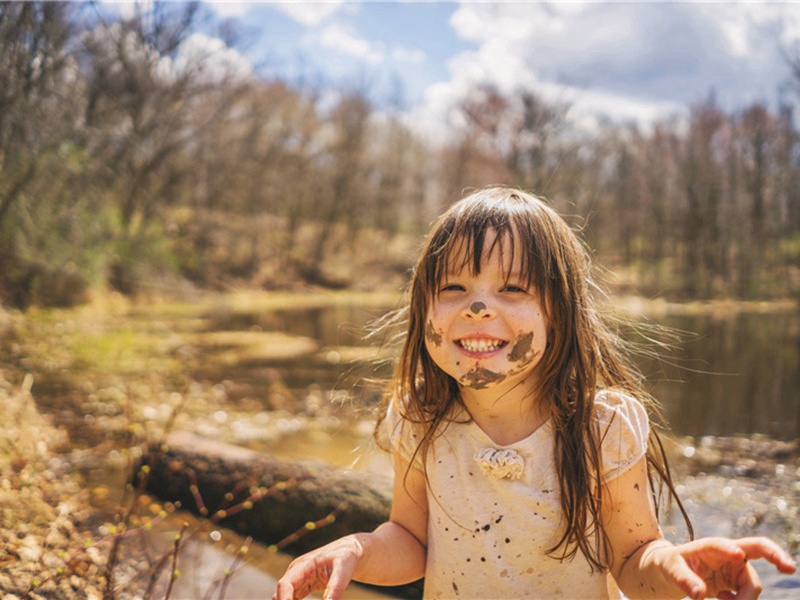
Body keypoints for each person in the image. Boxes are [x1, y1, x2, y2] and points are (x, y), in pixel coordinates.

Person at [273, 187, 796, 600]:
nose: (477, 308)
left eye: (513, 288)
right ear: (423, 309)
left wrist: (674, 563)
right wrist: (357, 550)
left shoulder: (603, 426)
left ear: (560, 313)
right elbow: (412, 543)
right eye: (453, 288)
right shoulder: (419, 417)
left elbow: (635, 562)